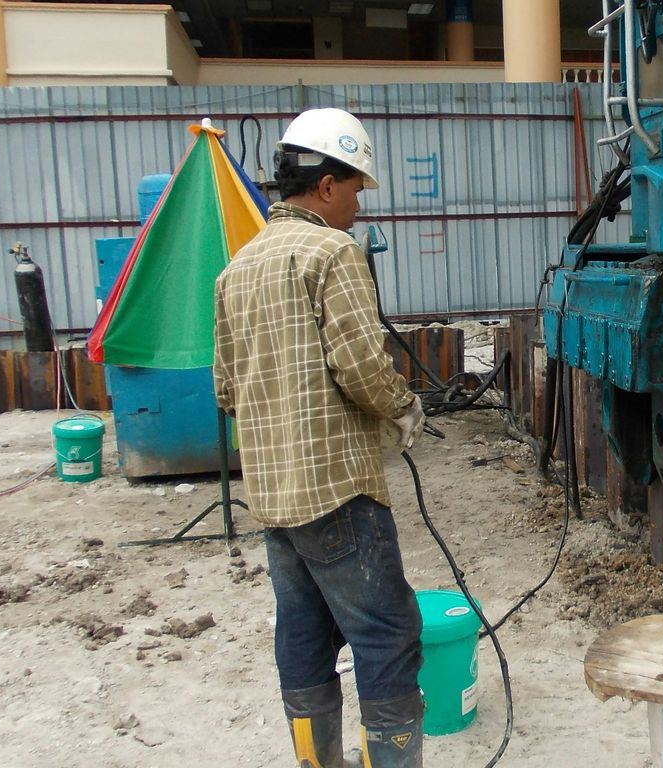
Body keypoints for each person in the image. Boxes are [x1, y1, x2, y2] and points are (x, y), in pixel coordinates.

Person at [213, 107, 428, 768]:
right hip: (337, 490)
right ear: (326, 184)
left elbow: (226, 388)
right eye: (356, 188)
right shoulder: (331, 251)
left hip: (274, 500)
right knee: (387, 631)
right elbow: (362, 366)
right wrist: (403, 408)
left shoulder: (236, 269)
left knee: (304, 635)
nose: (359, 205)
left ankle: (318, 762)